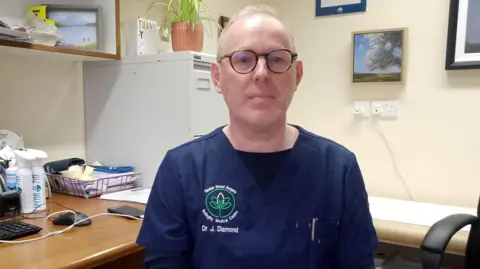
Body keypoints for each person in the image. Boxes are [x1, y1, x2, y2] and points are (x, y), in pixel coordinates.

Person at [136, 4, 378, 269]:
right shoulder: (181, 170)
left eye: (276, 59)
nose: (261, 73)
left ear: (297, 75)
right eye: (243, 59)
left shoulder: (338, 169)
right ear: (217, 78)